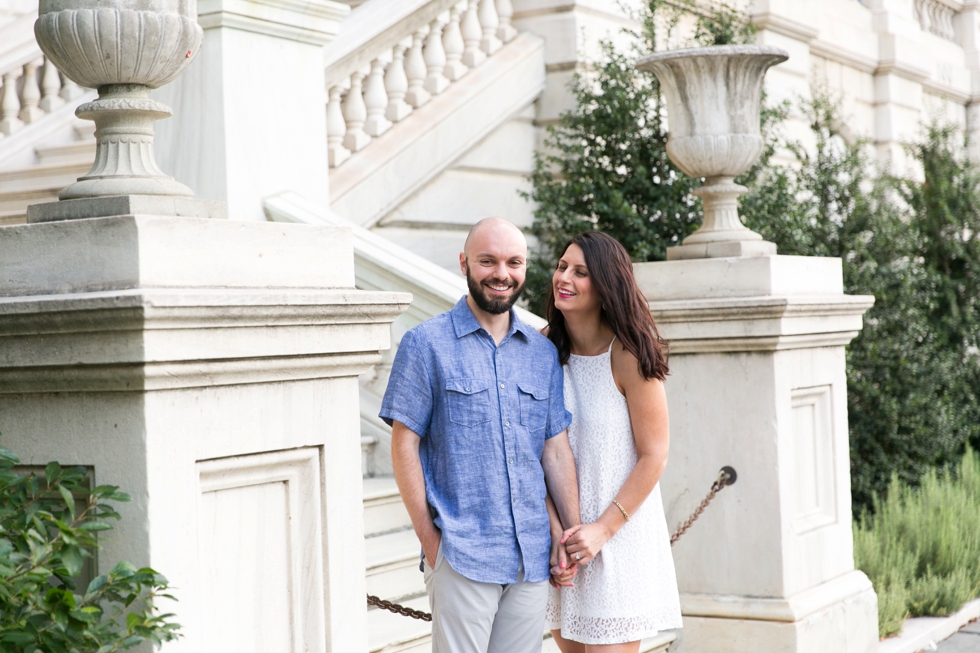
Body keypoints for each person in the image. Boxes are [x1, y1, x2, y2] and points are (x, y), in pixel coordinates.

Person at [380, 217, 582, 653]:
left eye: (514, 262)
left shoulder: (542, 352)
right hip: (461, 550)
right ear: (464, 263)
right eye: (487, 261)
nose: (501, 274)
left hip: (530, 556)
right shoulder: (424, 344)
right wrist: (430, 542)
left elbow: (555, 451)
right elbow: (404, 444)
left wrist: (569, 535)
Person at [543, 232, 683, 652]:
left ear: (605, 286)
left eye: (580, 272)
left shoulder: (629, 354)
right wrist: (557, 536)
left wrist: (602, 531)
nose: (564, 277)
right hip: (564, 547)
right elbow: (535, 451)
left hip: (619, 541)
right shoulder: (542, 346)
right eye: (562, 266)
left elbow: (654, 454)